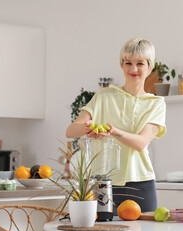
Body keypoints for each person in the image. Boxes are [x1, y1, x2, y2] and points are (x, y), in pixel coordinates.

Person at [66, 37, 167, 213]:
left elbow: (141, 143)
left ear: (150, 67)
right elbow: (70, 131)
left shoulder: (156, 103)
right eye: (128, 63)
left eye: (140, 64)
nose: (133, 69)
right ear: (122, 65)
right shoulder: (104, 96)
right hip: (103, 182)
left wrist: (113, 131)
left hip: (141, 183)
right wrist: (86, 128)